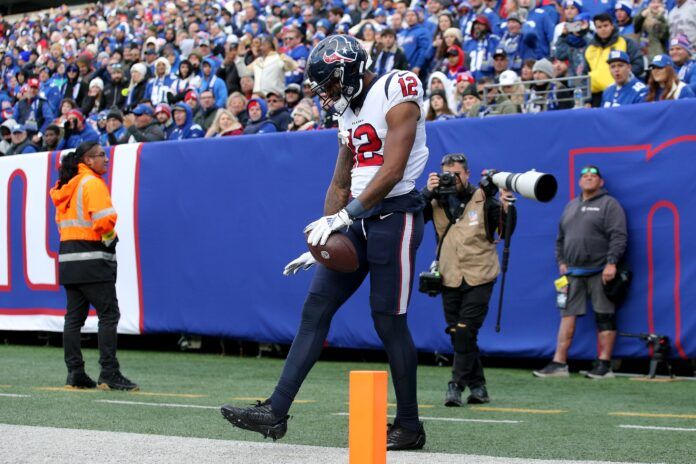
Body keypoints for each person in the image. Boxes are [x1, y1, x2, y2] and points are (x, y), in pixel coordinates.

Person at [221, 34, 429, 451]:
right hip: (356, 218)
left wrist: (345, 216)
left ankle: (410, 425)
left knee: (388, 321)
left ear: (349, 72)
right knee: (315, 309)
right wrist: (324, 233)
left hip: (395, 216)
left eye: (332, 85)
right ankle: (275, 412)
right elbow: (340, 181)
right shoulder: (346, 115)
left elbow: (392, 170)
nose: (329, 95)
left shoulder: (396, 86)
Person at [421, 154, 515, 406]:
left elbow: (504, 232)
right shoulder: (436, 200)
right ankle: (478, 386)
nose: (452, 179)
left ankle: (455, 385)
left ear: (467, 174)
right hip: (449, 274)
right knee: (457, 333)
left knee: (464, 330)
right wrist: (427, 192)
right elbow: (414, 218)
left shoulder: (484, 198)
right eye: (446, 174)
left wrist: (507, 208)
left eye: (457, 174)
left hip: (480, 274)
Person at [49, 141, 138, 391]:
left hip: (68, 260)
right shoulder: (92, 183)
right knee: (108, 315)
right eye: (101, 155)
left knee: (73, 319)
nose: (106, 159)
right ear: (88, 161)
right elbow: (104, 221)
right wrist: (111, 241)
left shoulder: (66, 186)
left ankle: (75, 373)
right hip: (93, 260)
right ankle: (109, 372)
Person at [533, 165, 627, 379]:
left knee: (605, 317)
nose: (588, 178)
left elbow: (619, 236)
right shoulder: (571, 206)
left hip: (600, 272)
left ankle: (604, 365)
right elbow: (560, 239)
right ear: (579, 182)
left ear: (601, 182)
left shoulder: (609, 204)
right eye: (584, 176)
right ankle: (559, 363)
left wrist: (611, 263)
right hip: (572, 274)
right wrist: (561, 261)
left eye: (593, 176)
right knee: (567, 316)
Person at [584, 13, 644, 107]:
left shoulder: (626, 42)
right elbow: (585, 75)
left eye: (606, 25)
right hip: (595, 96)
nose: (603, 29)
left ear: (612, 26)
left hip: (622, 92)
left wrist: (622, 79)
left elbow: (638, 64)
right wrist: (587, 100)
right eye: (599, 27)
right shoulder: (589, 48)